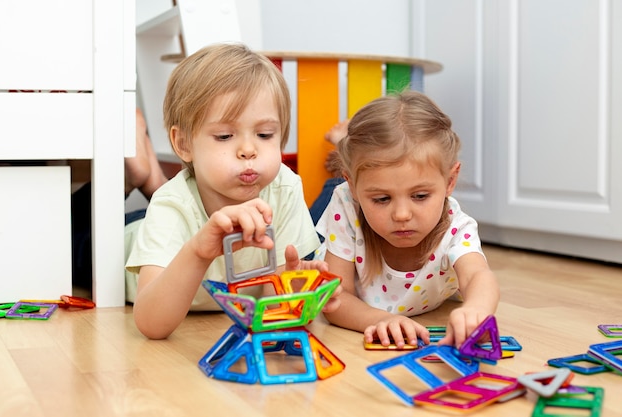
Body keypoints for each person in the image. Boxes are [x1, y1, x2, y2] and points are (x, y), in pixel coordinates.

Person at [125, 43, 339, 340]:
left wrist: (296, 287)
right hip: (123, 238)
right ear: (184, 144)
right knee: (77, 232)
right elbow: (151, 324)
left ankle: (148, 175)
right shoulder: (171, 204)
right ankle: (140, 170)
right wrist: (199, 251)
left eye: (265, 135)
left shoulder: (285, 187)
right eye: (225, 136)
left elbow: (271, 307)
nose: (249, 150)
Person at [316, 90, 499, 350]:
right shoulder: (346, 203)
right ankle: (340, 144)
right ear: (354, 188)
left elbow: (478, 276)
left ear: (450, 181)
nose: (402, 215)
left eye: (420, 195)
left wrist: (476, 310)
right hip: (336, 216)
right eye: (382, 199)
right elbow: (334, 297)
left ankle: (342, 144)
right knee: (322, 200)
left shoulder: (457, 227)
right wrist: (382, 320)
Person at [71, 108, 168, 289]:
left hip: (136, 226)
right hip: (146, 220)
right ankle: (157, 189)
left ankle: (152, 188)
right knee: (68, 224)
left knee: (67, 236)